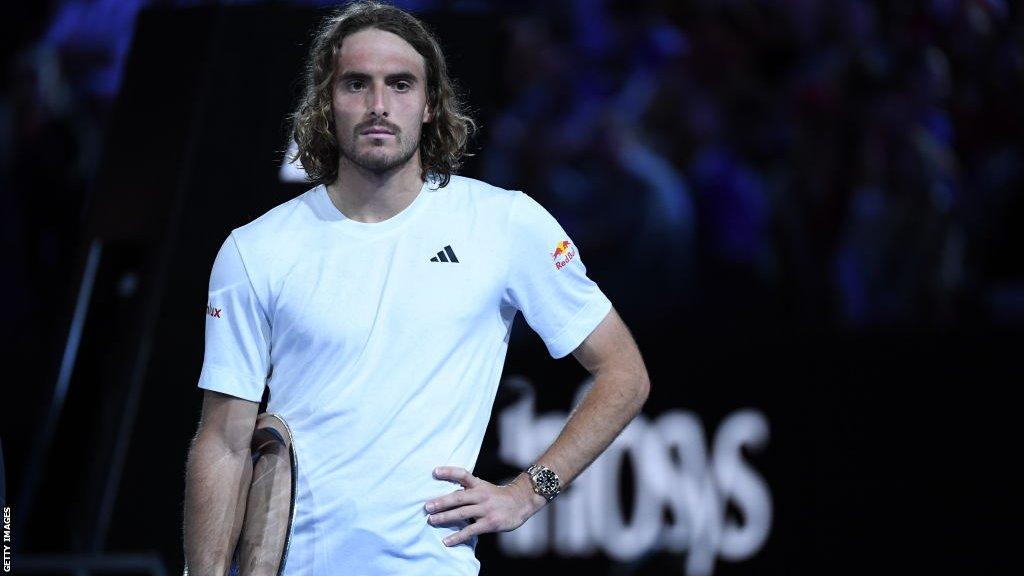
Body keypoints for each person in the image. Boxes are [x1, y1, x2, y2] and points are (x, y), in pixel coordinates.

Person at [182, 2, 650, 575]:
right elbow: (225, 443)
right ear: (327, 101)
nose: (379, 105)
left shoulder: (503, 224)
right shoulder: (256, 250)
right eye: (357, 84)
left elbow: (623, 373)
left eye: (400, 85)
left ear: (430, 104)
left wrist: (529, 492)